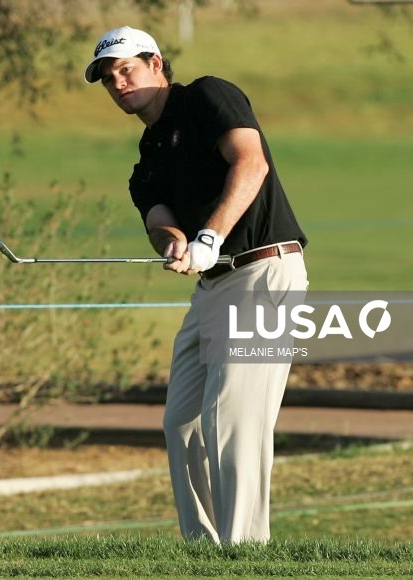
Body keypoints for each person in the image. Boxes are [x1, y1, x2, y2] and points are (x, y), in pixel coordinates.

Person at [84, 26, 309, 544]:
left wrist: (208, 236)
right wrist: (174, 245)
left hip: (264, 272)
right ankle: (205, 548)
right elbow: (160, 222)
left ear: (156, 64)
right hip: (212, 287)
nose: (118, 83)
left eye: (126, 70)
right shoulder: (146, 162)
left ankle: (244, 549)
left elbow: (251, 163)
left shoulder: (208, 96)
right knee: (181, 423)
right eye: (108, 78)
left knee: (233, 419)